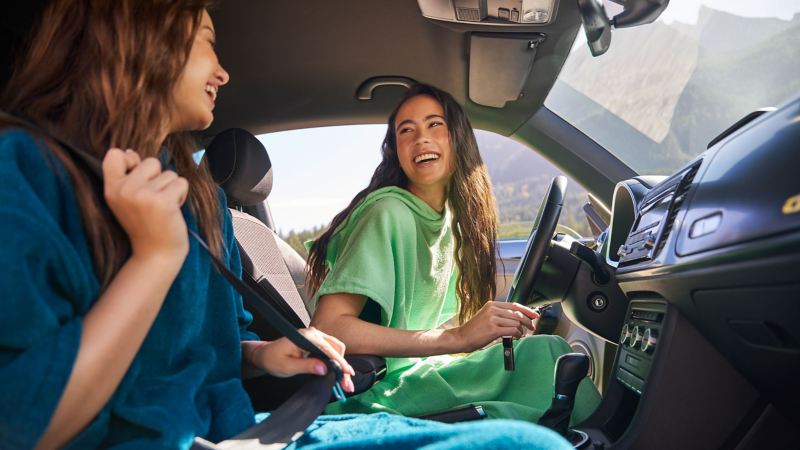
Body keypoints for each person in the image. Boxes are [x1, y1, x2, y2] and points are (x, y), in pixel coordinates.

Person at [0, 1, 572, 448]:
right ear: (140, 38)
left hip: (245, 425)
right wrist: (153, 258)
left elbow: (208, 343)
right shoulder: (25, 173)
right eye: (207, 45)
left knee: (526, 442)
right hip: (174, 438)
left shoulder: (200, 195)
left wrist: (263, 353)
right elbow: (24, 425)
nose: (223, 72)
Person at [308, 84, 601, 422]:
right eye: (407, 130)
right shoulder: (387, 212)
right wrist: (458, 337)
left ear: (456, 139)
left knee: (544, 353)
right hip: (377, 391)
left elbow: (423, 326)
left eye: (435, 125)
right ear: (396, 151)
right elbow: (328, 330)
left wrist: (484, 331)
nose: (422, 138)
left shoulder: (448, 222)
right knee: (546, 364)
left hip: (419, 372)